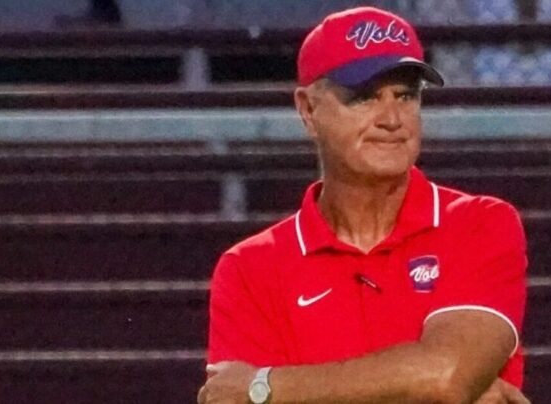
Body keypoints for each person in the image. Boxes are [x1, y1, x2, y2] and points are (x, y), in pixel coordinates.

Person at [199, 6, 529, 404]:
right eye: (364, 97)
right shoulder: (250, 269)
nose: (392, 118)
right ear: (308, 110)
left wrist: (266, 386)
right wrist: (424, 384)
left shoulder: (479, 223)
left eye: (406, 96)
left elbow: (446, 375)